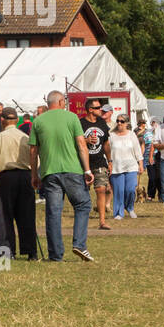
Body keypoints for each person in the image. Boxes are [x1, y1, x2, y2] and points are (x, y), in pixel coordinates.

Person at [29, 89, 94, 262]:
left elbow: (33, 151)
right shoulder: (72, 117)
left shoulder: (38, 121)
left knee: (53, 212)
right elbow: (81, 144)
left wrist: (34, 175)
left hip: (50, 172)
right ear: (60, 102)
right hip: (72, 169)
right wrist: (87, 170)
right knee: (83, 205)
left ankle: (55, 254)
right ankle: (79, 244)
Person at [0, 108, 37, 260]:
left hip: (6, 177)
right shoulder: (25, 137)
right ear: (17, 121)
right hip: (25, 176)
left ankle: (7, 251)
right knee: (26, 215)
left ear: (2, 120)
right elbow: (36, 161)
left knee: (4, 216)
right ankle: (31, 251)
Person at [79, 98, 111, 231]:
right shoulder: (80, 123)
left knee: (101, 189)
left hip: (99, 162)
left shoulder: (102, 123)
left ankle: (102, 221)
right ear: (90, 109)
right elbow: (74, 142)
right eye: (98, 108)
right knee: (82, 193)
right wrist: (86, 140)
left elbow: (106, 144)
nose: (101, 110)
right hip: (82, 163)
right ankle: (82, 222)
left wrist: (110, 161)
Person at [107, 115, 142, 219]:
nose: (119, 123)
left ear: (127, 123)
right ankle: (118, 212)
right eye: (117, 121)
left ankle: (130, 207)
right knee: (119, 191)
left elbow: (137, 150)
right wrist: (108, 163)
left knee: (130, 189)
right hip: (116, 167)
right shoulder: (111, 135)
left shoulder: (132, 135)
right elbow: (107, 151)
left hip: (131, 167)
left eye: (122, 121)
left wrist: (140, 164)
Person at [142, 119, 160, 201]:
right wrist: (141, 158)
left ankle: (161, 195)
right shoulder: (147, 133)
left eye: (156, 123)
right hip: (148, 158)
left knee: (159, 177)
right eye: (153, 123)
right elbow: (143, 145)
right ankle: (150, 195)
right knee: (152, 177)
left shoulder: (161, 133)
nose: (155, 125)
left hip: (160, 158)